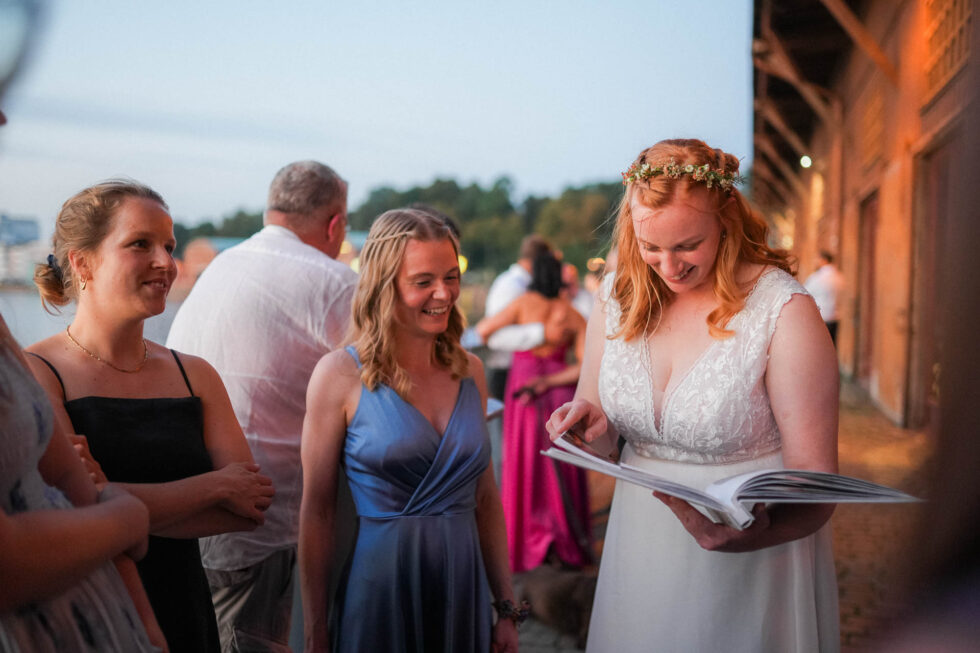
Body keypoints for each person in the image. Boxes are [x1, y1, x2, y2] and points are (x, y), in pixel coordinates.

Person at [547, 139, 840, 652]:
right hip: (639, 544)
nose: (668, 265)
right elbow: (601, 430)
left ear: (726, 216)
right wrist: (587, 424)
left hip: (751, 558)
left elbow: (817, 491)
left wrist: (753, 536)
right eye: (650, 246)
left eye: (687, 245)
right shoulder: (616, 299)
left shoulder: (783, 311)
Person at [27, 180, 275, 653]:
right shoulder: (38, 374)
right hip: (91, 614)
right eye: (140, 244)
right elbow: (69, 511)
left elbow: (250, 510)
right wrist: (214, 486)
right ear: (83, 262)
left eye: (168, 246)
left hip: (187, 612)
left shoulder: (194, 374)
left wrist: (111, 502)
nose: (166, 262)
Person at [299, 208, 520, 652]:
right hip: (380, 589)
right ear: (385, 286)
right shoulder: (339, 375)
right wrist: (316, 628)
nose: (444, 293)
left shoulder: (470, 371)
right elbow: (318, 511)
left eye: (450, 276)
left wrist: (507, 609)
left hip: (464, 586)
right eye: (423, 282)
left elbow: (486, 500)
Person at [166, 160, 357, 652]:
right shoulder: (333, 281)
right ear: (334, 223)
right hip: (262, 516)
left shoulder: (219, 268)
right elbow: (376, 392)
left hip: (188, 501)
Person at [0, 318, 162, 651]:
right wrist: (130, 518)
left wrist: (145, 621)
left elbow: (67, 475)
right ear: (81, 267)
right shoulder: (46, 366)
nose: (165, 264)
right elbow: (7, 564)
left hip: (109, 622)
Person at [476, 252, 590, 573]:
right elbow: (583, 366)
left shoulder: (523, 304)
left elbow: (483, 330)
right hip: (558, 395)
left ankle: (527, 543)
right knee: (561, 462)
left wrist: (531, 332)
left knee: (525, 463)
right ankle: (564, 542)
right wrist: (550, 377)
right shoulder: (573, 315)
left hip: (523, 393)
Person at [803, 250, 844, 345]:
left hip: (821, 317)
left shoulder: (816, 277)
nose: (815, 261)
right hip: (835, 316)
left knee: (819, 347)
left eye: (817, 259)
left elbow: (805, 293)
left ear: (824, 260)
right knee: (832, 346)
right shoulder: (839, 277)